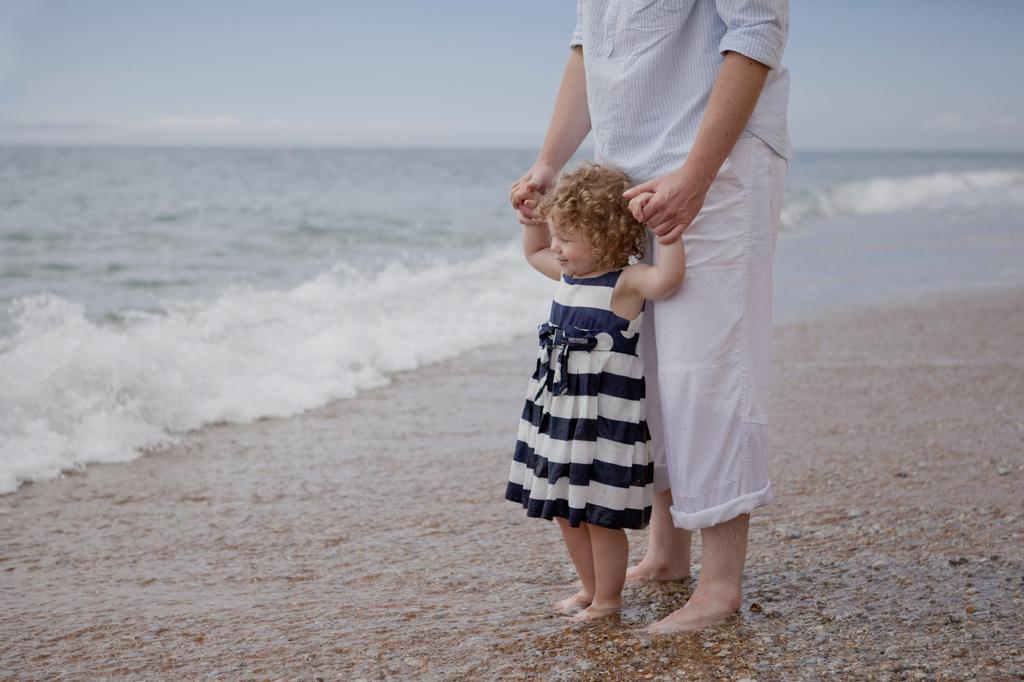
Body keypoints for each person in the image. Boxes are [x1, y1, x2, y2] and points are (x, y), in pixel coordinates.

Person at [509, 1, 790, 633]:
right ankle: (667, 553)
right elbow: (591, 46)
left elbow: (757, 28)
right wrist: (550, 162)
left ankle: (720, 588)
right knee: (642, 373)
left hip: (716, 157)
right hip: (622, 170)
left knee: (704, 370)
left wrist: (696, 174)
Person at [505, 163, 685, 622]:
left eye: (566, 238)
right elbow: (533, 254)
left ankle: (608, 600)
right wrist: (531, 223)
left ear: (605, 238)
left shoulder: (625, 284)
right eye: (556, 235)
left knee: (600, 516)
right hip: (560, 414)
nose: (556, 248)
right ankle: (589, 589)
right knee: (565, 511)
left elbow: (668, 281)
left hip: (605, 423)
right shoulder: (568, 276)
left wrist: (669, 234)